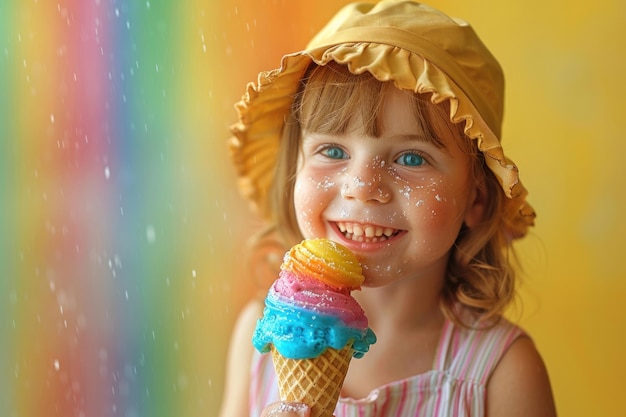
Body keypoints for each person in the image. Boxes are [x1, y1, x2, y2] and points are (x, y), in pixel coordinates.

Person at [220, 1, 556, 416]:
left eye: (411, 158)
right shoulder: (262, 336)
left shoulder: (500, 372)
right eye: (332, 150)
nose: (362, 188)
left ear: (477, 197)